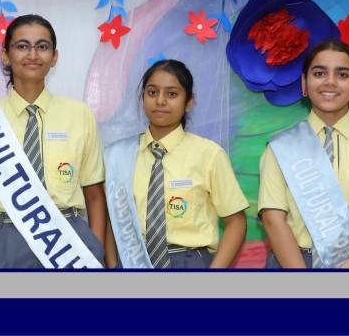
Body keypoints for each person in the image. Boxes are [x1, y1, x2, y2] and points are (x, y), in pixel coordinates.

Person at [0, 14, 107, 268]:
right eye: (22, 46)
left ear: (55, 56)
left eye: (42, 46)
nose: (33, 54)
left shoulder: (79, 115)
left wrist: (95, 248)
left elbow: (94, 194)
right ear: (5, 55)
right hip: (3, 243)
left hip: (70, 242)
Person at [259, 39, 349, 269]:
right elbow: (272, 219)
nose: (330, 82)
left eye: (342, 75)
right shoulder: (280, 147)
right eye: (319, 73)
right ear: (304, 83)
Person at [106, 59, 248, 269]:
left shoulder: (209, 154)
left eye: (172, 94)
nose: (160, 101)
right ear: (142, 97)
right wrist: (112, 265)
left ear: (189, 101)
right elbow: (113, 221)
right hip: (132, 260)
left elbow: (236, 222)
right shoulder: (119, 155)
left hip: (189, 262)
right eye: (152, 92)